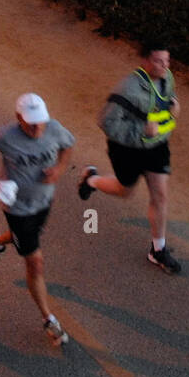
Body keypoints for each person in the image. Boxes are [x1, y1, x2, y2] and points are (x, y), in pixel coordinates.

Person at [0, 93, 76, 345]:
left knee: (29, 237)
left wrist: (60, 169)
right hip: (17, 209)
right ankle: (48, 319)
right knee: (35, 262)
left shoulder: (54, 129)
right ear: (18, 118)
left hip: (43, 203)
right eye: (30, 122)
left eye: (40, 121)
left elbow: (68, 146)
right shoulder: (6, 136)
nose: (37, 127)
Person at [78, 45, 182, 274]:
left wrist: (174, 105)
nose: (165, 66)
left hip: (156, 147)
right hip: (127, 149)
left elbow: (166, 98)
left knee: (160, 196)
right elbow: (107, 122)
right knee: (125, 191)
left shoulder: (167, 77)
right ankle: (91, 180)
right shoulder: (127, 89)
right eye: (158, 61)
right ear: (145, 61)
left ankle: (158, 250)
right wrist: (141, 132)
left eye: (167, 60)